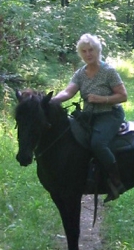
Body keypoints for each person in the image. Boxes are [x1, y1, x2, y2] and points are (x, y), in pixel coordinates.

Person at [52, 33, 128, 202]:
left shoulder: (108, 71)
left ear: (97, 51)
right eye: (84, 51)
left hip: (110, 114)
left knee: (97, 143)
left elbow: (123, 96)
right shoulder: (80, 73)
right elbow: (68, 91)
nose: (88, 54)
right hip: (89, 116)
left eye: (91, 50)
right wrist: (51, 101)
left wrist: (103, 99)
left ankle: (116, 180)